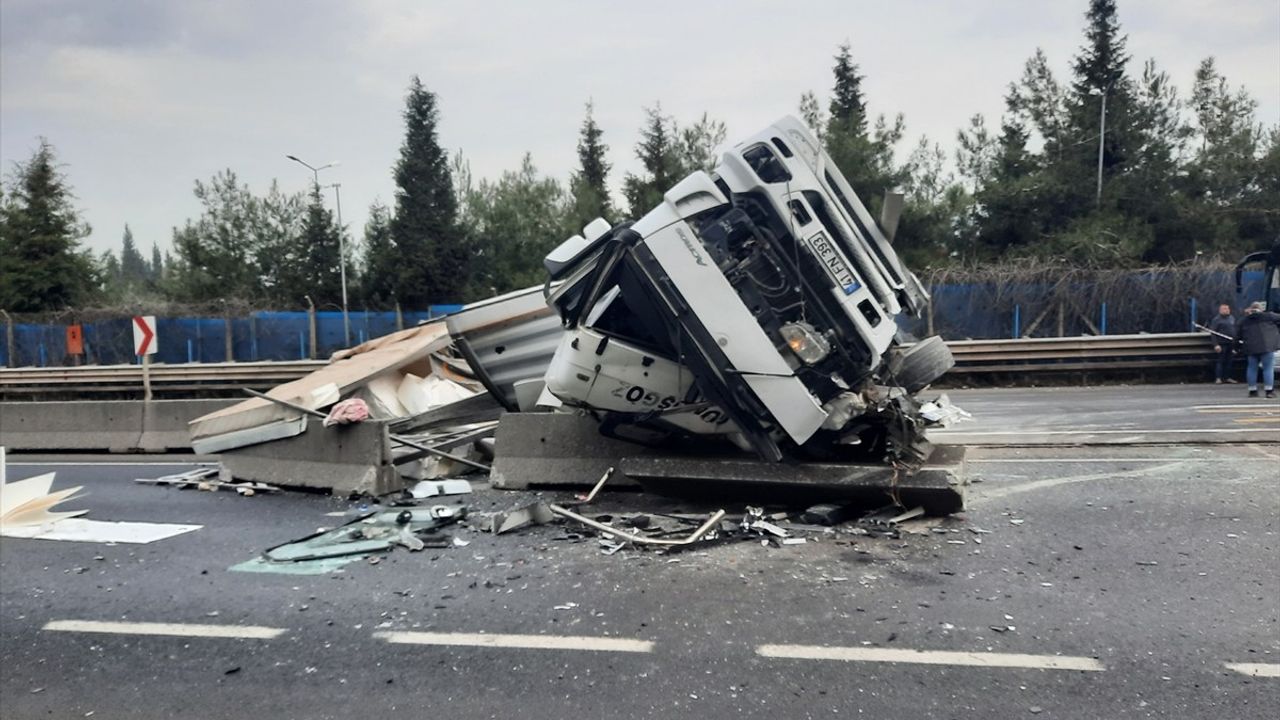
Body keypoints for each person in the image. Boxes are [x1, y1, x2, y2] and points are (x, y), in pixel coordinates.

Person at [1234, 301, 1280, 398]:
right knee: (1268, 368)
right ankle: (1269, 391)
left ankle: (1252, 390)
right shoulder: (1269, 316)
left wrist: (1236, 347)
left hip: (1250, 347)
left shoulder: (1244, 320)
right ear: (1261, 309)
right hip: (1267, 346)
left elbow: (1237, 335)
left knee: (1251, 368)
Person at [1207, 303, 1237, 383]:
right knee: (1221, 361)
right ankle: (1218, 378)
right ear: (1220, 310)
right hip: (1221, 343)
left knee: (1229, 361)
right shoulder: (1216, 320)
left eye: (1228, 308)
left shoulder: (1232, 318)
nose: (1227, 310)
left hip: (1231, 343)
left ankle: (1227, 377)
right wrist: (1216, 345)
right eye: (1225, 309)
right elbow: (1213, 333)